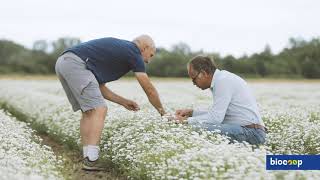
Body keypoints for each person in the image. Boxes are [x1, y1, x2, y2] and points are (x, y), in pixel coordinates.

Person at [55, 35, 166, 171]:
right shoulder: (134, 53)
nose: (148, 60)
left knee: (89, 112)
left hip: (64, 62)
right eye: (151, 55)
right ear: (145, 48)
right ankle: (91, 160)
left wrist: (123, 102)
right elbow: (149, 89)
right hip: (76, 64)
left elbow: (99, 87)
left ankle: (88, 158)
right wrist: (163, 113)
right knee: (99, 109)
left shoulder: (120, 51)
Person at [174, 55, 266, 145]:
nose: (193, 83)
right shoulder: (221, 79)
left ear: (204, 73)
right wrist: (192, 113)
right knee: (196, 127)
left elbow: (215, 119)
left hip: (252, 133)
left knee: (196, 129)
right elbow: (217, 114)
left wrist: (185, 121)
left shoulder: (222, 81)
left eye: (194, 79)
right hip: (249, 130)